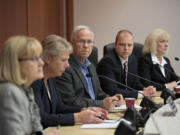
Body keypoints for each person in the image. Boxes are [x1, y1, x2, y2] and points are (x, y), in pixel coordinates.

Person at [31, 35, 108, 128]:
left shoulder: (51, 79)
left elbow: (60, 108)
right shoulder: (34, 82)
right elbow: (42, 118)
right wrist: (78, 117)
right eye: (63, 60)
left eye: (68, 60)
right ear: (48, 59)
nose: (67, 65)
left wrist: (84, 110)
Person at [0, 36, 59, 135]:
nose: (41, 63)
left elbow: (35, 130)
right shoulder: (9, 92)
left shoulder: (26, 89)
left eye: (40, 57)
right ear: (16, 63)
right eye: (35, 59)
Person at [56, 25, 123, 109]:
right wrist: (101, 104)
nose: (86, 46)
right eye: (81, 41)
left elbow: (98, 93)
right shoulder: (65, 67)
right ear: (72, 43)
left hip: (96, 113)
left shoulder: (90, 66)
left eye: (89, 42)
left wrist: (112, 99)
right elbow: (69, 101)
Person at [97, 30, 156, 98]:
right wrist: (141, 94)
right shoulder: (107, 62)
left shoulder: (132, 58)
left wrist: (145, 89)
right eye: (122, 44)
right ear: (115, 45)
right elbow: (111, 91)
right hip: (113, 103)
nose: (126, 48)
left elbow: (135, 83)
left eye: (129, 45)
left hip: (128, 102)